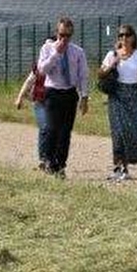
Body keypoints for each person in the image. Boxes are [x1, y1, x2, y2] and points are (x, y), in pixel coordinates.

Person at [100, 24, 137, 181]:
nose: (124, 38)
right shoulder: (111, 55)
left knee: (134, 130)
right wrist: (113, 62)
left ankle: (128, 163)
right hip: (117, 96)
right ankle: (119, 167)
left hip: (133, 95)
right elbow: (101, 74)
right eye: (120, 36)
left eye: (127, 35)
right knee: (118, 132)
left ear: (133, 37)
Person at [37, 16, 90, 177]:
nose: (64, 39)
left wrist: (84, 97)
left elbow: (83, 75)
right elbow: (42, 70)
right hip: (52, 92)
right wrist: (55, 54)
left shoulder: (78, 52)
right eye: (61, 35)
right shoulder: (47, 48)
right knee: (52, 129)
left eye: (67, 35)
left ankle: (60, 165)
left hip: (69, 93)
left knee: (65, 132)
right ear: (56, 32)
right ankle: (49, 161)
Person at [14, 37, 53, 170]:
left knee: (54, 130)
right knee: (45, 127)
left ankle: (52, 157)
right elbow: (29, 81)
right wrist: (20, 98)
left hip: (54, 102)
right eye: (45, 46)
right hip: (39, 101)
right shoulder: (38, 66)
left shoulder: (59, 65)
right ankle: (43, 158)